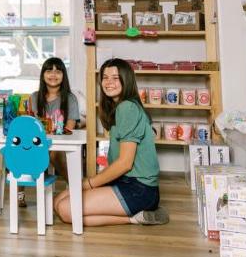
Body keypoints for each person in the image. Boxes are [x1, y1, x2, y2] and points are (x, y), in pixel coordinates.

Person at [54, 58, 168, 226]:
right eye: (105, 77)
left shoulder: (127, 108)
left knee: (66, 209)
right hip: (127, 183)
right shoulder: (120, 107)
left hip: (139, 190)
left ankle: (135, 217)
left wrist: (89, 183)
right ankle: (137, 214)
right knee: (58, 200)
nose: (108, 82)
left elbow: (124, 164)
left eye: (115, 78)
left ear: (126, 79)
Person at [19, 57, 80, 207]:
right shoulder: (34, 97)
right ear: (43, 75)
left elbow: (70, 126)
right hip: (38, 141)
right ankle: (20, 192)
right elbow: (30, 123)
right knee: (23, 151)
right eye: (49, 70)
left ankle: (75, 186)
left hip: (60, 141)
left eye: (58, 71)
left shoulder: (70, 98)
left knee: (53, 154)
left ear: (63, 75)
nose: (53, 74)